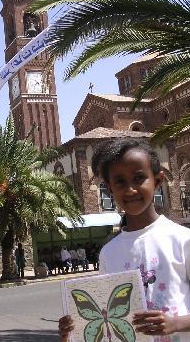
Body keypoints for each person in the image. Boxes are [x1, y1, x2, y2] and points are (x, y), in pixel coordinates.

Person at [59, 138, 190, 341]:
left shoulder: (182, 240)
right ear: (110, 189)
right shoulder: (109, 253)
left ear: (157, 181)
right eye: (120, 181)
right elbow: (106, 320)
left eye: (139, 178)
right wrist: (74, 331)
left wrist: (176, 323)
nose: (130, 190)